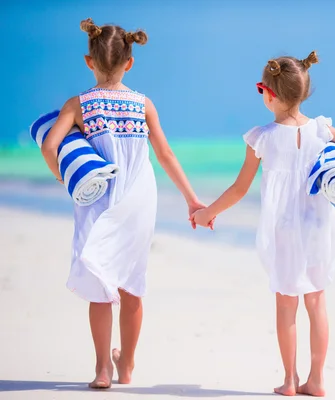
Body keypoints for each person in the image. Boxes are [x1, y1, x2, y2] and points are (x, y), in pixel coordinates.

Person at [41, 18, 210, 389]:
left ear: (89, 62)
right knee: (132, 285)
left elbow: (50, 146)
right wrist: (192, 199)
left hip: (99, 198)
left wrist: (64, 176)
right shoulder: (143, 104)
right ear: (130, 62)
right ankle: (127, 366)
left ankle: (102, 369)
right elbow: (164, 154)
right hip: (138, 199)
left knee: (101, 284)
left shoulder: (79, 104)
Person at [191, 51, 335, 397]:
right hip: (319, 224)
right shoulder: (321, 130)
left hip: (284, 228)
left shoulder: (261, 137)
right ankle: (316, 380)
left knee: (286, 304)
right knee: (316, 302)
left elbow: (240, 189)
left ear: (269, 93)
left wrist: (207, 212)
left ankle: (290, 380)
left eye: (261, 88)